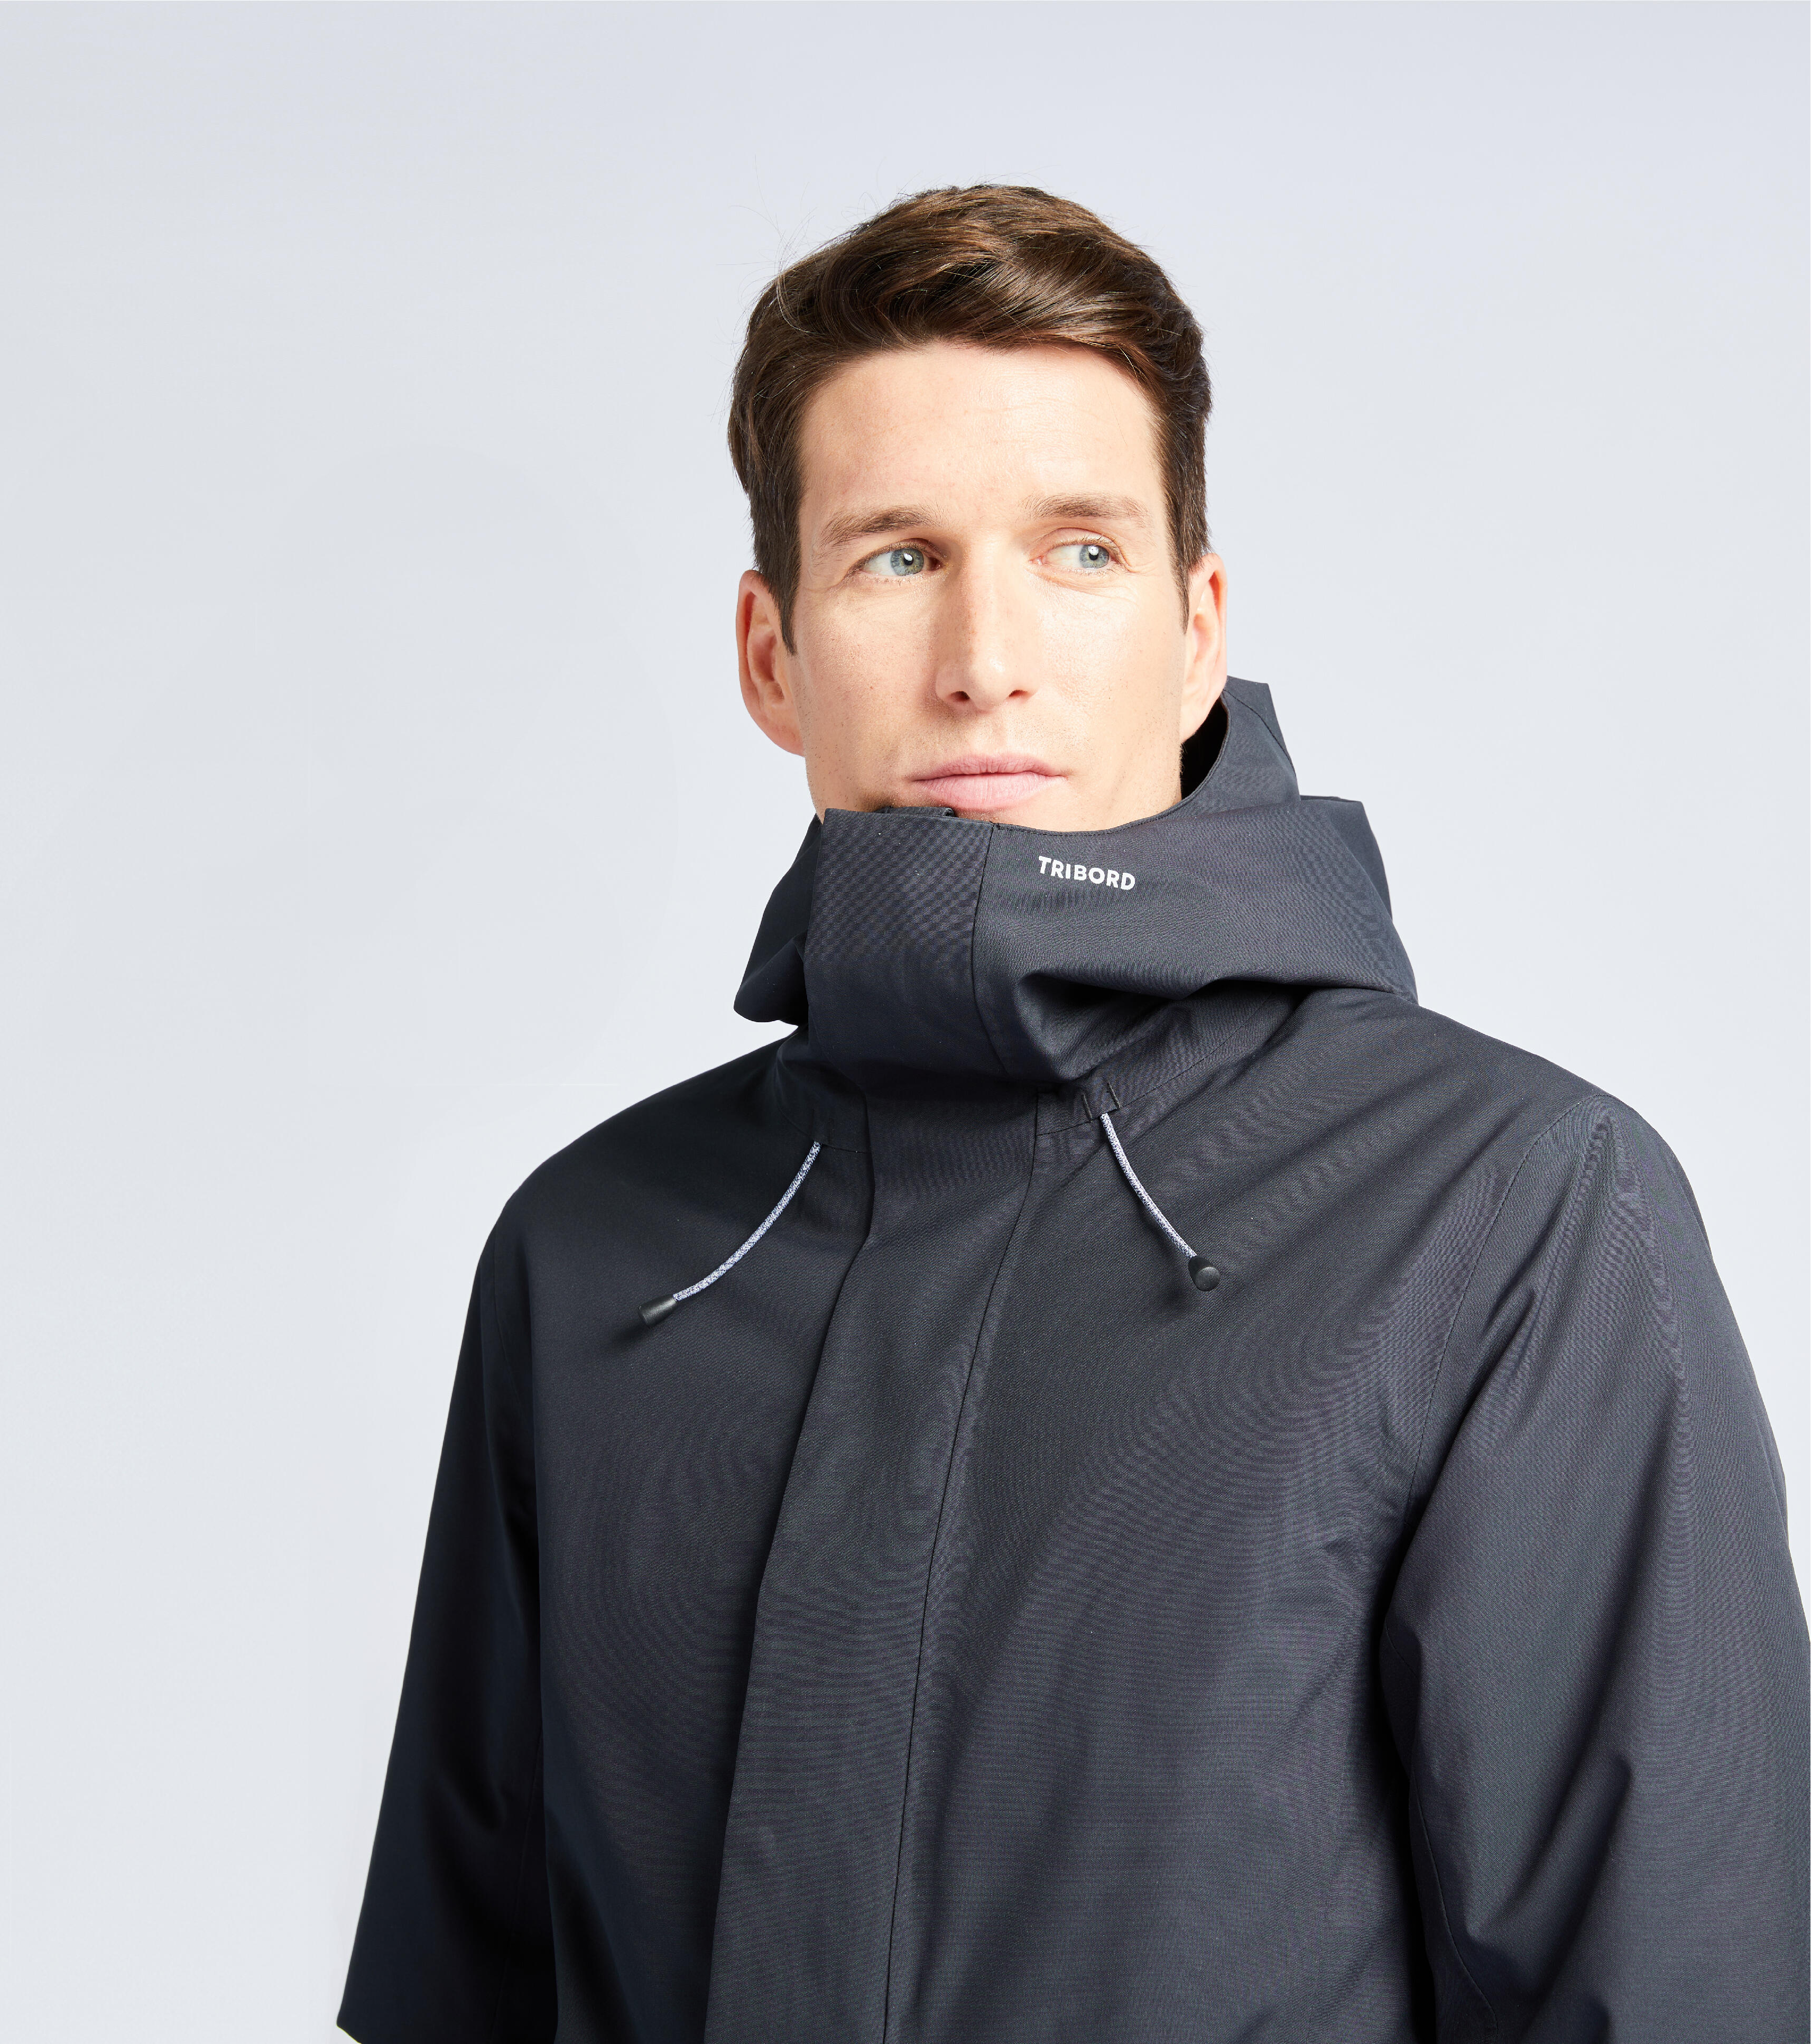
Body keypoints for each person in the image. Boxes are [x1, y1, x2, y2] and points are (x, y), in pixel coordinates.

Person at [335, 186, 1807, 2043]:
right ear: (770, 653)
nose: (985, 655)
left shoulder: (1503, 1213)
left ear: (1196, 633)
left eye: (1079, 551)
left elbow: (1678, 1986)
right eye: (895, 556)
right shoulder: (597, 1251)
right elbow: (468, 1998)